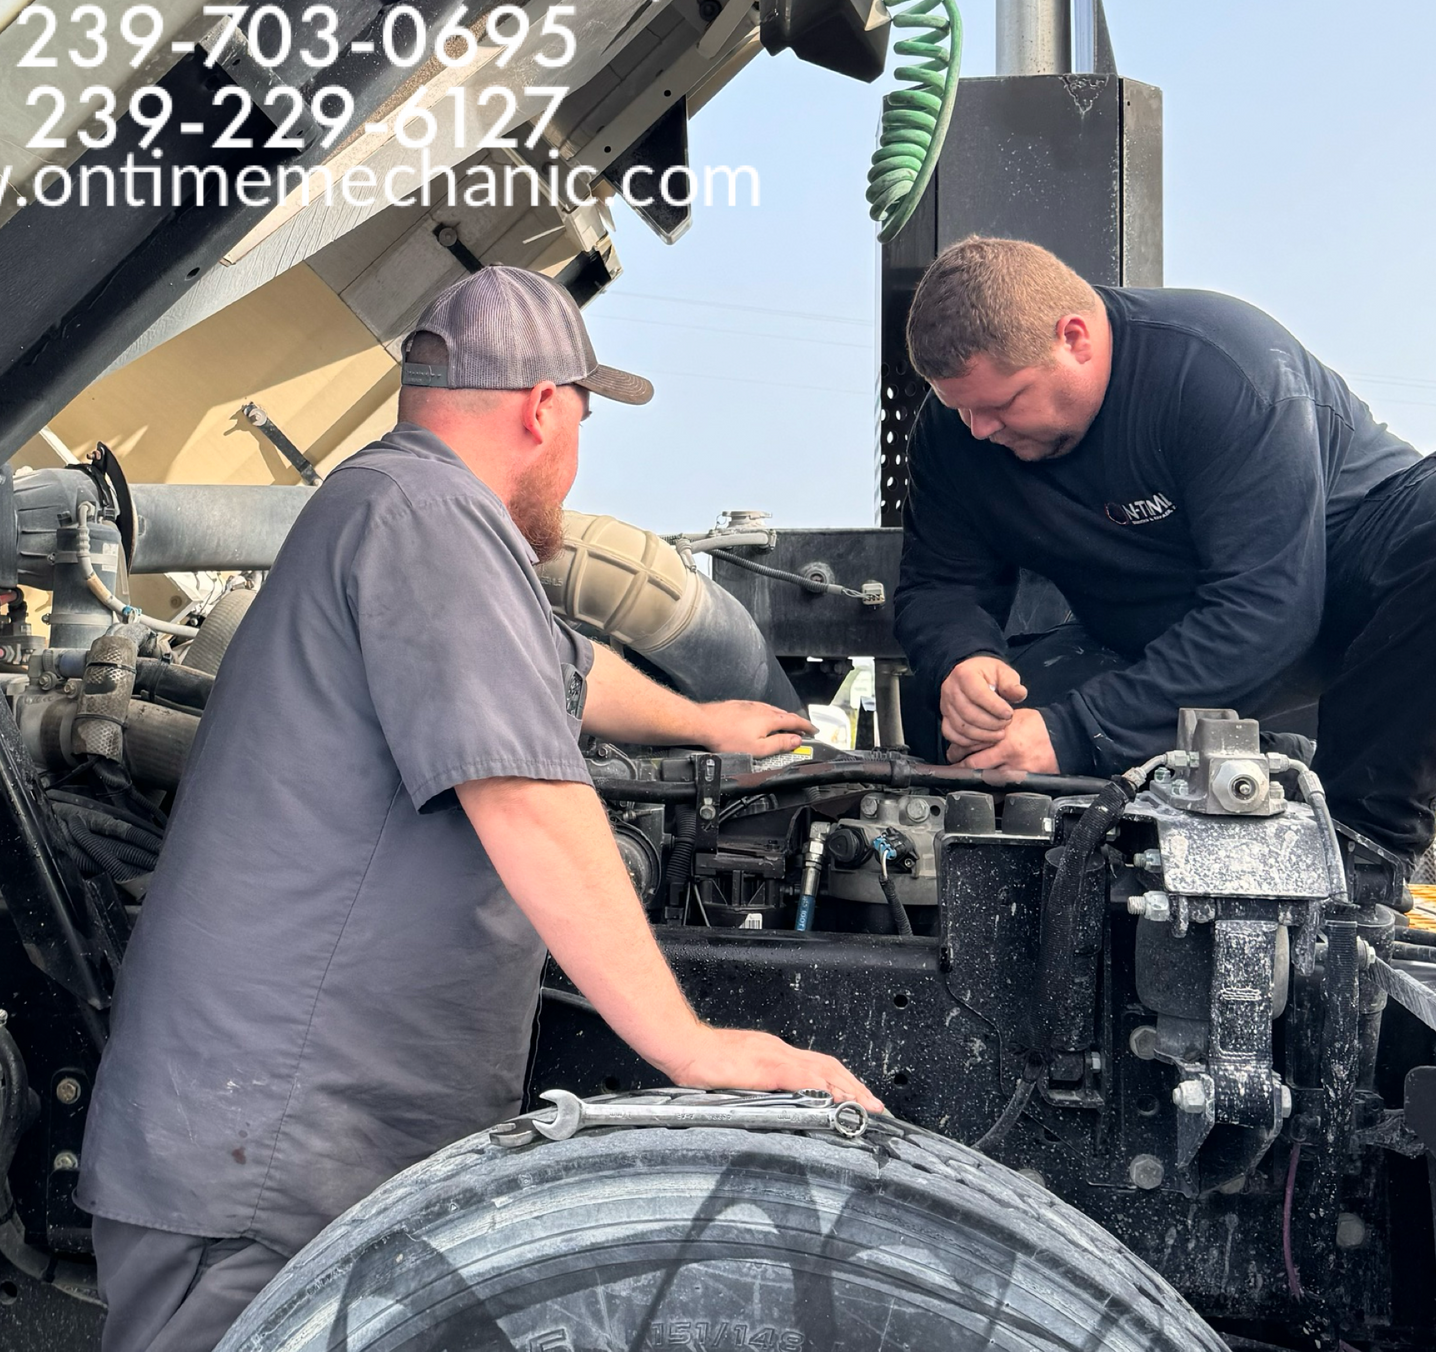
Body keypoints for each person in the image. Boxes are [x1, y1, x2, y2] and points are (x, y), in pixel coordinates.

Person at [78, 264, 881, 1352]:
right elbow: (527, 794)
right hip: (272, 1168)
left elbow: (563, 669)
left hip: (308, 1159)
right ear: (545, 407)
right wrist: (692, 1049)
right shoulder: (423, 515)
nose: (577, 455)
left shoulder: (400, 504)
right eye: (585, 421)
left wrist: (712, 725)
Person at [893, 235, 1436, 861]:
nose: (980, 430)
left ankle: (1361, 852)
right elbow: (939, 584)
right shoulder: (958, 433)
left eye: (1002, 403)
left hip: (1344, 578)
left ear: (1074, 337)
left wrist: (1071, 732)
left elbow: (1267, 608)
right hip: (1149, 638)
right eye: (962, 409)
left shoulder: (1219, 368)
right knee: (982, 758)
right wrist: (964, 660)